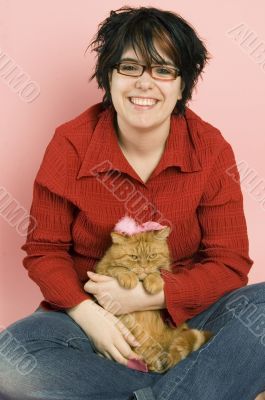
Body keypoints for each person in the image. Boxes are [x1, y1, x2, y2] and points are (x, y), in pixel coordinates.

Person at [0, 5, 264, 400]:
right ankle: (212, 386)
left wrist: (150, 296)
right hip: (90, 318)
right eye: (129, 68)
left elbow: (229, 263)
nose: (145, 83)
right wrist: (91, 317)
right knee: (9, 360)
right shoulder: (70, 143)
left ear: (182, 84)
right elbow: (44, 251)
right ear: (109, 75)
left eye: (163, 70)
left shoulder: (210, 148)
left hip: (187, 317)